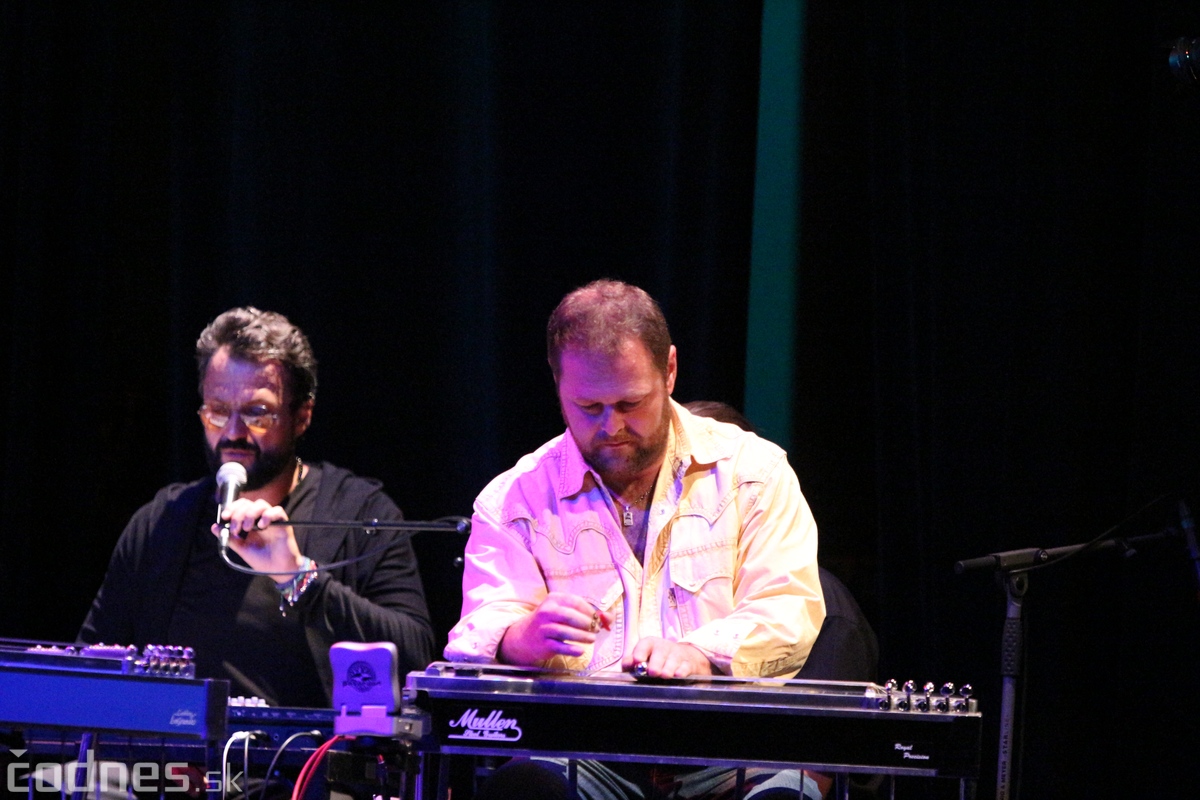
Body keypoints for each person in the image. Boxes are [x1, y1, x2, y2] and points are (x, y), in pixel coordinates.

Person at [445, 280, 827, 800]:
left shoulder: (755, 472)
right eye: (589, 406)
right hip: (582, 752)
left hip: (731, 751)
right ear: (557, 384)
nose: (612, 426)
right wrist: (520, 638)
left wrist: (699, 655)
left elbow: (788, 608)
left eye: (631, 402)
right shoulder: (513, 500)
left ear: (669, 370)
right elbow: (479, 629)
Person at [79, 307, 434, 708]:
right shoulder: (161, 522)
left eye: (257, 413)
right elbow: (93, 667)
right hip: (176, 746)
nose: (233, 433)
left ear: (302, 417)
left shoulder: (360, 514)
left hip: (308, 748)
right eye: (217, 412)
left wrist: (299, 578)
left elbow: (415, 659)